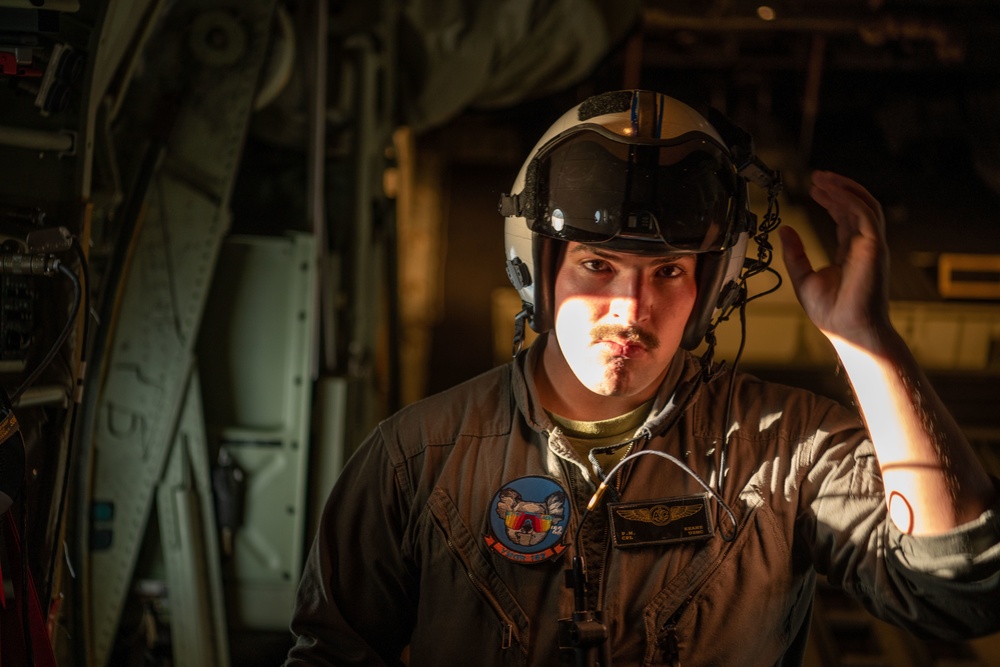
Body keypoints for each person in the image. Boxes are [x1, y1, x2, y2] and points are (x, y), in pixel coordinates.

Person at [285, 89, 1000, 666]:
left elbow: (957, 593)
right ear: (538, 269)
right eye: (598, 265)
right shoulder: (417, 455)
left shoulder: (787, 452)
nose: (632, 308)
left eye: (668, 272)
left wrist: (869, 344)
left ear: (710, 291)